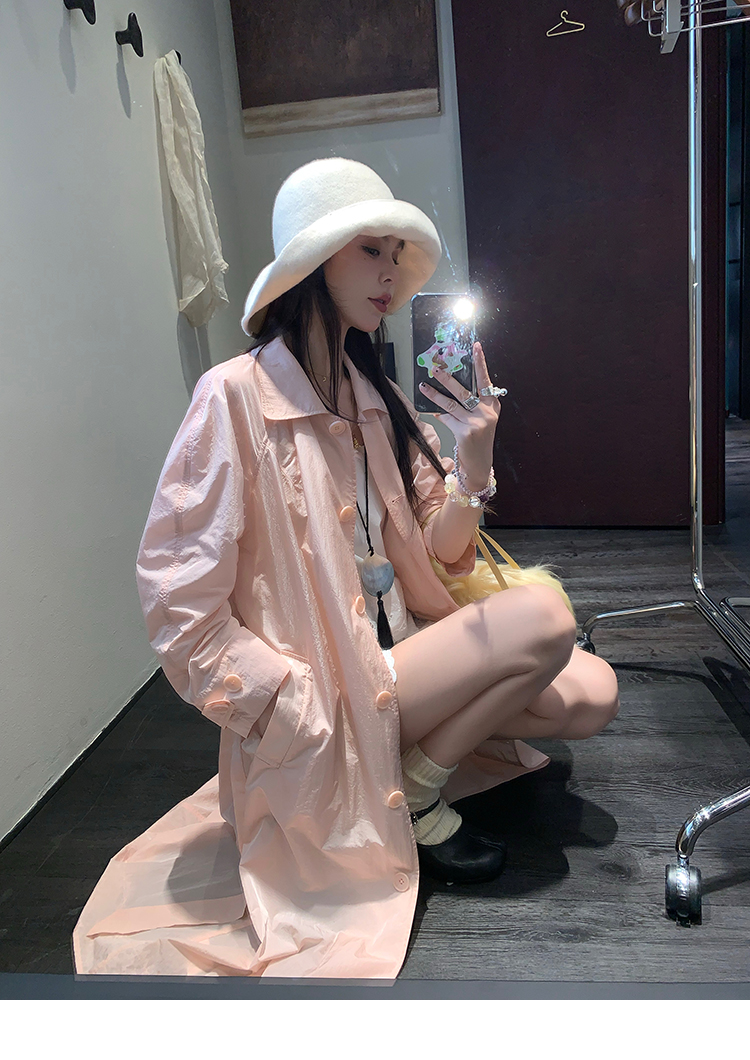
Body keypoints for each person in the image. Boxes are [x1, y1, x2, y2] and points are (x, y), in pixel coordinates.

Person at [72, 157, 620, 979]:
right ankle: (417, 791)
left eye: (397, 252)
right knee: (544, 618)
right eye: (370, 250)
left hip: (403, 656)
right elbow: (179, 606)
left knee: (594, 691)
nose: (391, 271)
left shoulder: (376, 397)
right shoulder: (233, 397)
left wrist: (474, 458)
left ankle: (416, 775)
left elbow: (446, 549)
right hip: (328, 693)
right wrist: (285, 703)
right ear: (312, 263)